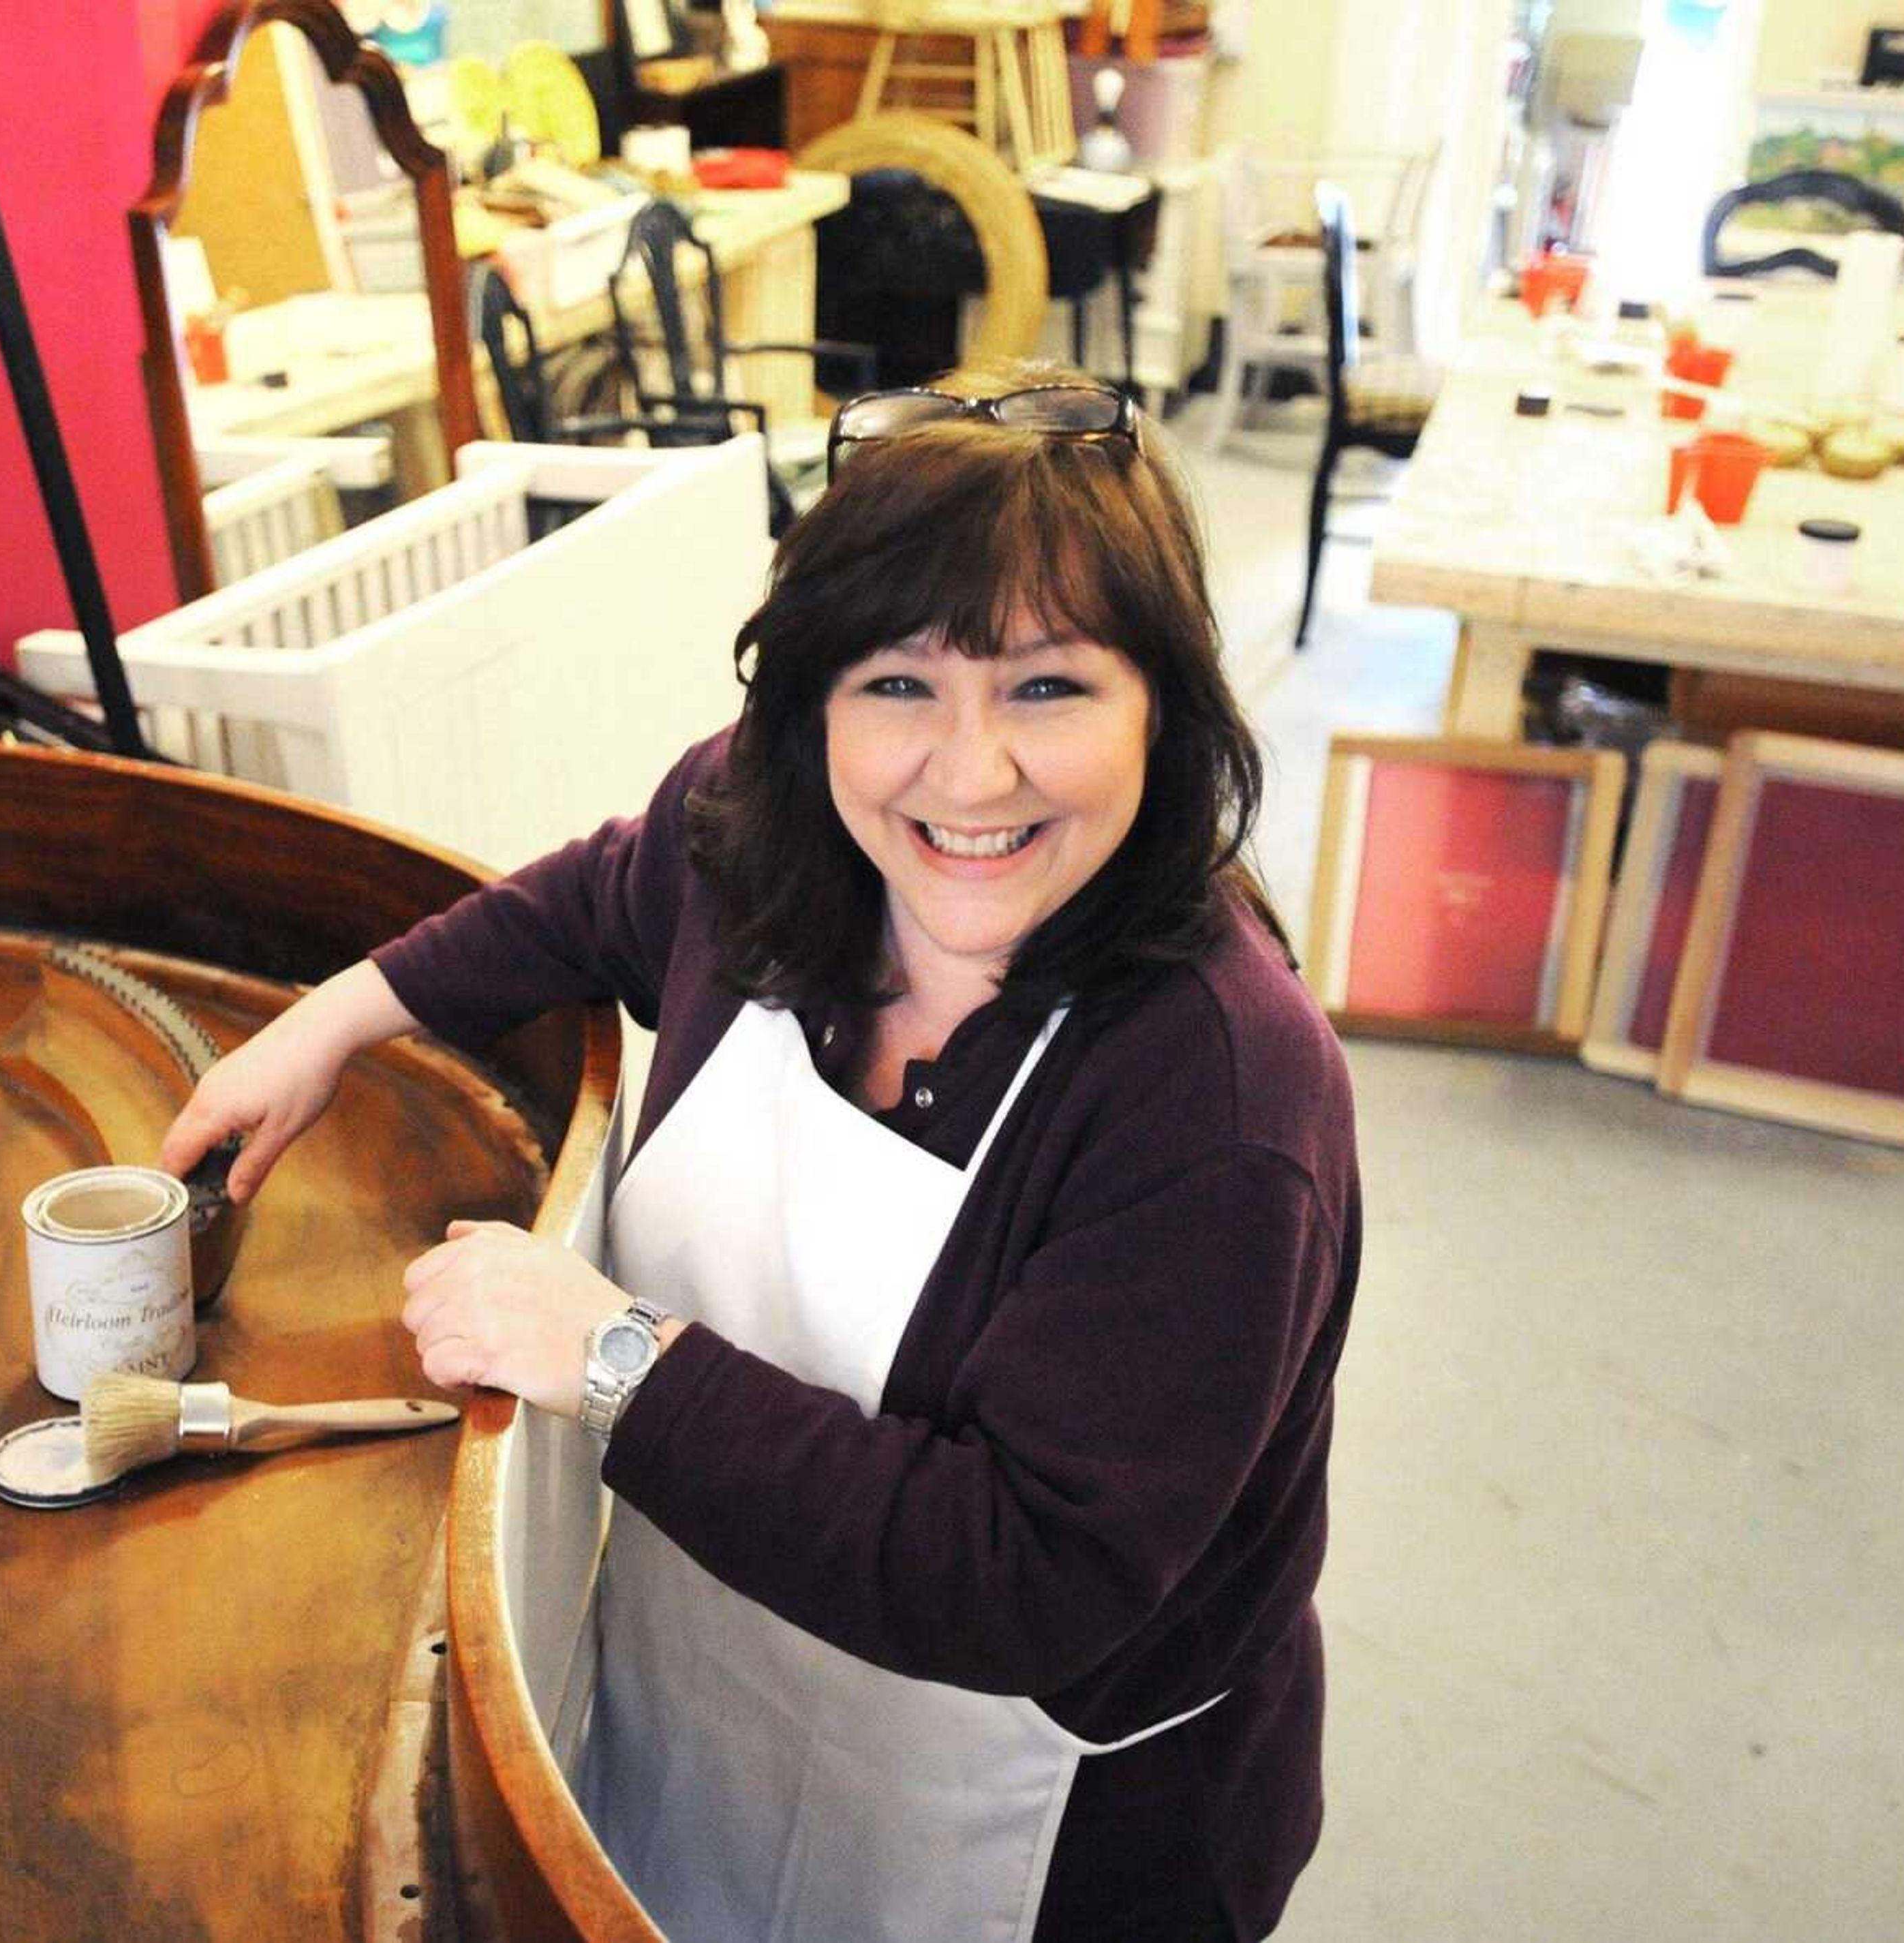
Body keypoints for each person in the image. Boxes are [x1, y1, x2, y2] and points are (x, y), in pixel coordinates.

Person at [162, 367, 1362, 1942]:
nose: (972, 772)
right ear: (807, 705)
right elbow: (595, 896)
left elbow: (1023, 1572)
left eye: (1051, 689)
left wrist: (608, 1355)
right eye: (899, 685)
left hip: (1051, 1845)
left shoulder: (1217, 1098)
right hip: (721, 1689)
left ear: (1168, 705)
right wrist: (339, 1015)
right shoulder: (764, 835)